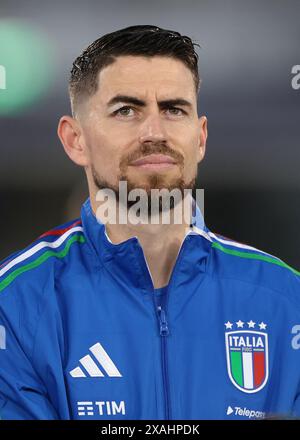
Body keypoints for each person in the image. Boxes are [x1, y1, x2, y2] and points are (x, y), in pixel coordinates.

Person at [0, 25, 300, 420]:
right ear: (76, 140)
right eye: (126, 110)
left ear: (201, 137)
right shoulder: (17, 303)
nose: (154, 132)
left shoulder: (285, 300)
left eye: (174, 109)